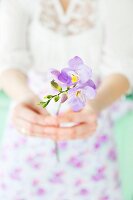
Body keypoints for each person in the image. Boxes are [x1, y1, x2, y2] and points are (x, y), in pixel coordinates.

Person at [0, 0, 133, 199]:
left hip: (91, 128)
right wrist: (26, 98)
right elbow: (7, 61)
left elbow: (122, 68)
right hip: (29, 126)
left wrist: (93, 106)